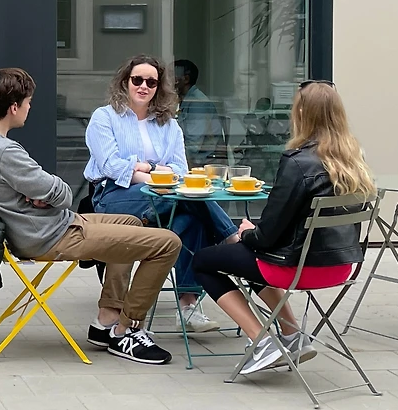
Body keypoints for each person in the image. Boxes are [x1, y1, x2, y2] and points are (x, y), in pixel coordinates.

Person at [0, 67, 181, 365]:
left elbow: (47, 191)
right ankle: (128, 330)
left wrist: (40, 193)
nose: (30, 108)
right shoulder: (4, 151)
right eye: (28, 103)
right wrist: (46, 192)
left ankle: (107, 319)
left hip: (47, 226)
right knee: (168, 243)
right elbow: (63, 194)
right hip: (50, 236)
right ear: (14, 107)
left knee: (131, 222)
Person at [192, 81, 376, 375]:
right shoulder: (354, 159)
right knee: (246, 255)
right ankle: (292, 336)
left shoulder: (297, 162)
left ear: (301, 113)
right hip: (341, 267)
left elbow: (267, 237)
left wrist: (247, 233)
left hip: (297, 268)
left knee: (204, 261)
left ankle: (262, 342)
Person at [84, 55, 241, 332]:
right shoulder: (104, 117)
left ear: (159, 87)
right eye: (137, 80)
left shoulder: (168, 124)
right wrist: (154, 177)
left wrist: (149, 170)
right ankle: (232, 239)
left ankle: (188, 307)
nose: (143, 86)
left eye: (151, 82)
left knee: (191, 219)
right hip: (114, 196)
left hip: (163, 196)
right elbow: (111, 166)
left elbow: (180, 169)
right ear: (125, 82)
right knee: (188, 197)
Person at [173, 59, 221, 162]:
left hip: (202, 163)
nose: (168, 82)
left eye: (173, 77)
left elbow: (193, 146)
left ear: (186, 79)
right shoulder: (183, 100)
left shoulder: (197, 103)